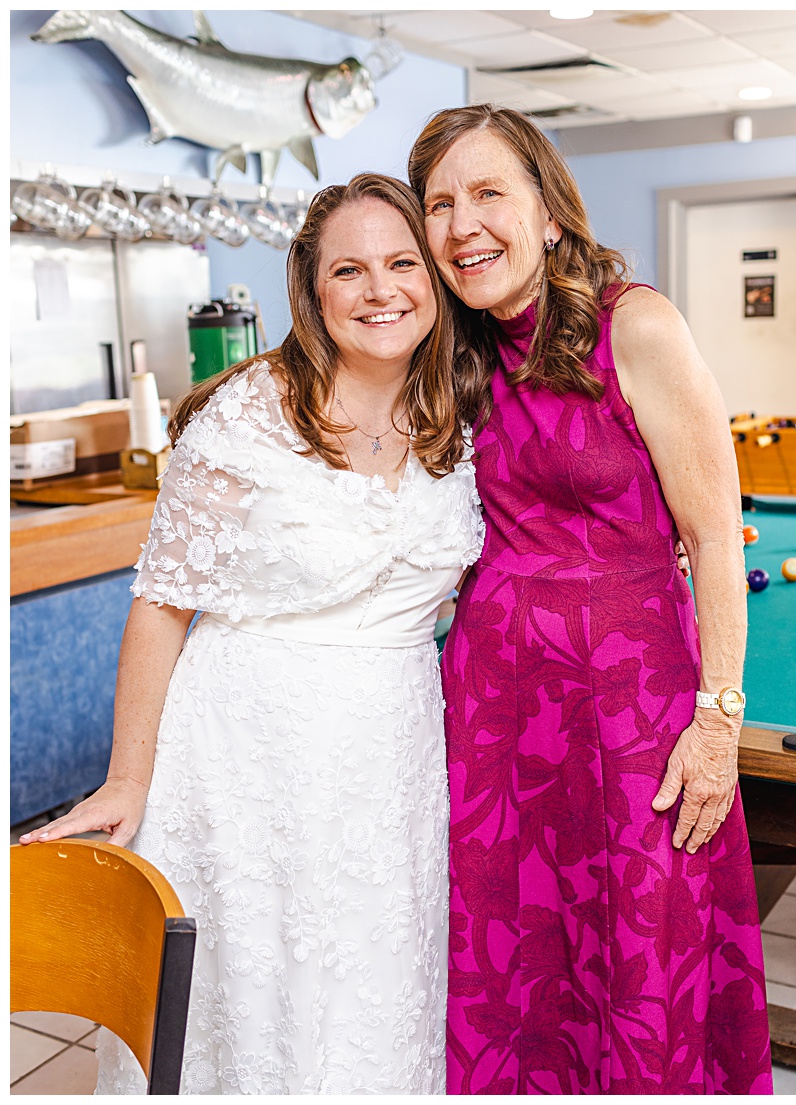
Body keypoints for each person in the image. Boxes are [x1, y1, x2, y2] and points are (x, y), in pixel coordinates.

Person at [18, 173, 482, 1093]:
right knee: (252, 1000)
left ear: (434, 277)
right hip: (245, 762)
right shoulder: (248, 415)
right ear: (312, 292)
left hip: (392, 758)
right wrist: (129, 773)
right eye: (349, 270)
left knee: (377, 988)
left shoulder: (461, 415)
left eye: (401, 263)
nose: (380, 289)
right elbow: (160, 603)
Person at [407, 105, 772, 1095]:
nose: (462, 224)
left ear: (548, 209)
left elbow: (710, 535)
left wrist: (718, 724)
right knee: (513, 967)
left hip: (631, 713)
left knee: (638, 958)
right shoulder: (454, 353)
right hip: (490, 713)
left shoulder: (635, 325)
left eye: (488, 193)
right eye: (439, 203)